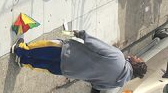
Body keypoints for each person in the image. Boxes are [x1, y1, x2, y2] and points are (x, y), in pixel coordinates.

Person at [13, 30, 147, 88]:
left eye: (137, 59)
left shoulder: (118, 58)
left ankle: (19, 49)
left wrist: (82, 34)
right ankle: (23, 61)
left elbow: (96, 45)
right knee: (44, 65)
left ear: (135, 64)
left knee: (43, 49)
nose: (135, 57)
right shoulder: (117, 83)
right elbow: (95, 85)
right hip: (69, 71)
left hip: (70, 53)